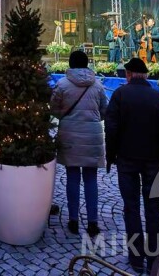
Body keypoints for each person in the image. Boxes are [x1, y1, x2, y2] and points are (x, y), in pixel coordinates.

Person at [105, 58, 159, 273]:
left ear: (128, 74)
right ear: (145, 75)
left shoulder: (119, 95)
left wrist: (111, 155)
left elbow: (111, 128)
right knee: (154, 207)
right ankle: (154, 254)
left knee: (131, 207)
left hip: (126, 158)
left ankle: (136, 257)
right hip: (153, 160)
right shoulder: (158, 97)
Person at [50, 50, 107, 237]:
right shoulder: (97, 85)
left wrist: (66, 118)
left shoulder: (62, 84)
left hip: (70, 135)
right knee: (91, 179)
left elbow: (54, 108)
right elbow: (104, 110)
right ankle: (92, 222)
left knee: (72, 177)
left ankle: (73, 219)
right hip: (93, 136)